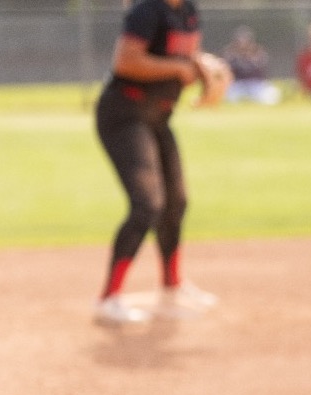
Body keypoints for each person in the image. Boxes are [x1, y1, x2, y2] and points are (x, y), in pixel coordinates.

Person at [92, 0, 220, 326]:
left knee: (176, 201)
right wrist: (178, 69)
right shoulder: (147, 10)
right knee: (147, 204)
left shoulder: (188, 10)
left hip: (158, 116)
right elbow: (126, 62)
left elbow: (187, 57)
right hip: (124, 115)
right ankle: (109, 299)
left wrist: (204, 71)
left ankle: (171, 288)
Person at [221, 25, 280, 105]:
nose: (242, 44)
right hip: (238, 83)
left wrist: (249, 57)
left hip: (255, 83)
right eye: (240, 41)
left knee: (270, 96)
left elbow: (261, 68)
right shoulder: (231, 53)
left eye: (245, 41)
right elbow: (225, 70)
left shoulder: (257, 52)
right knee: (227, 96)